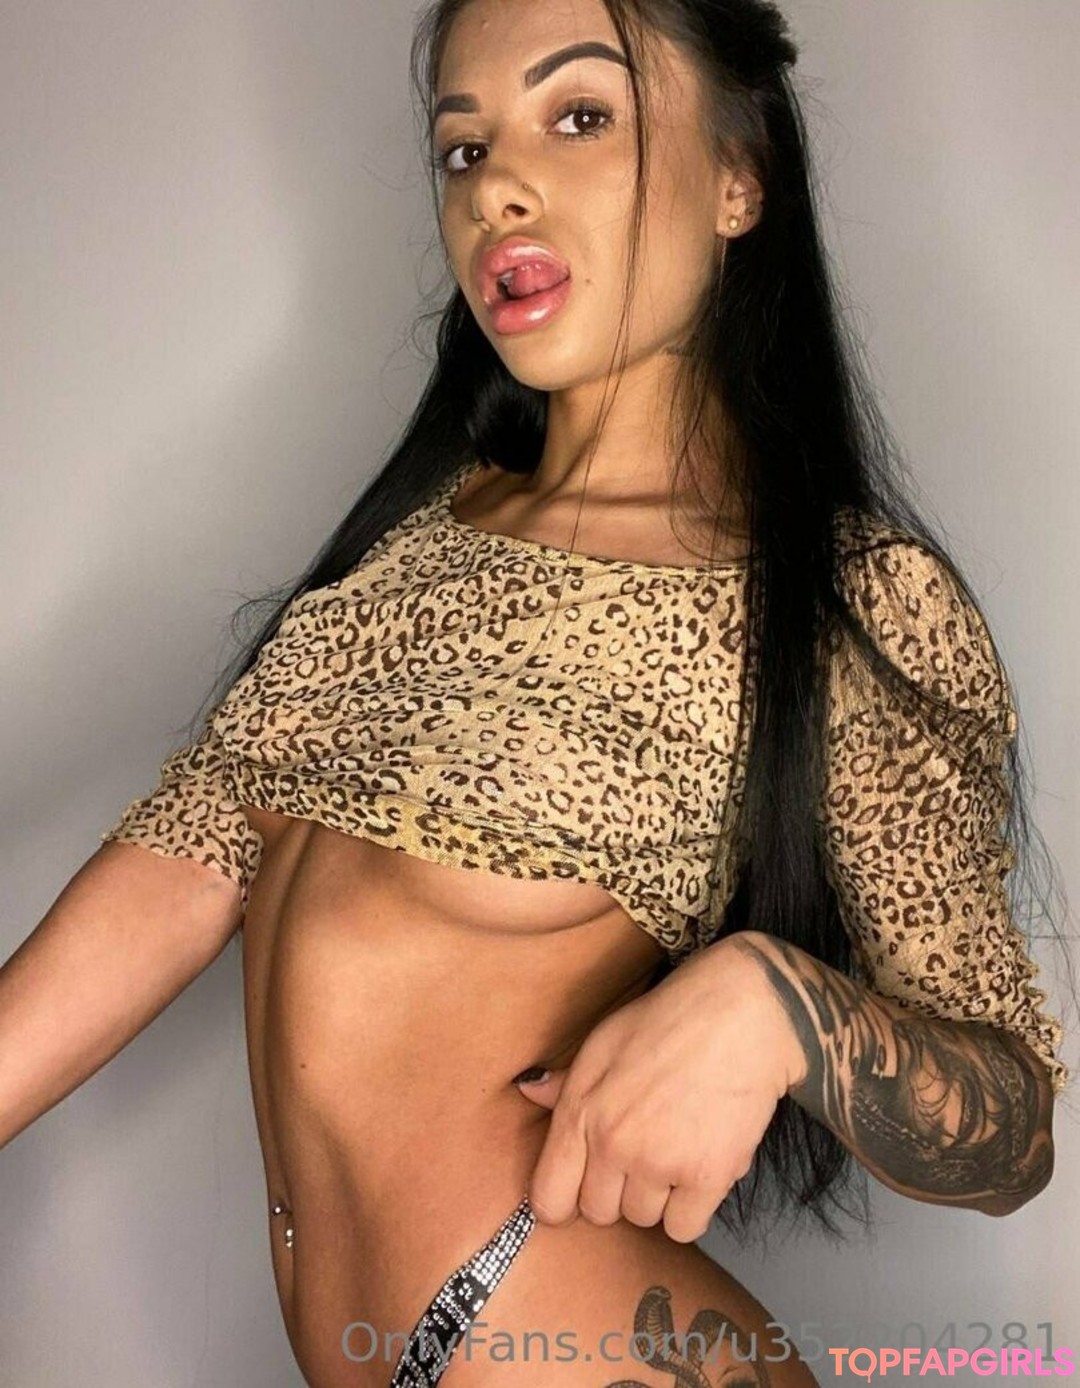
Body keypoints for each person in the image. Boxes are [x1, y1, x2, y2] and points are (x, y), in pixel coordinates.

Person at [1, 1, 1072, 1385]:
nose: (497, 186)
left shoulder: (844, 601)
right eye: (464, 148)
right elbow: (187, 859)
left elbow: (1010, 1133)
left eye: (580, 117)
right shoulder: (413, 544)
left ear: (739, 177)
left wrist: (777, 1006)